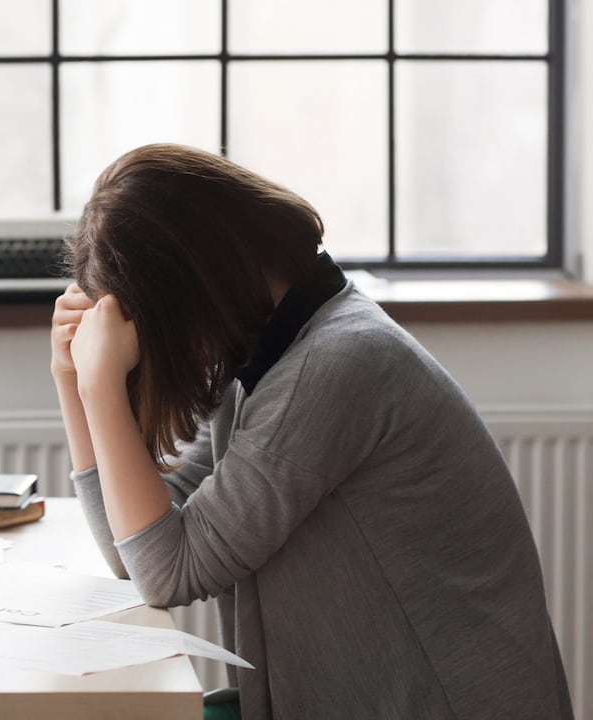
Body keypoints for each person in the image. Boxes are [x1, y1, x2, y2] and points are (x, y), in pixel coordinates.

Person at [50, 143, 572, 720]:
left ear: (190, 291)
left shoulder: (333, 365)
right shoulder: (267, 355)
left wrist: (101, 390)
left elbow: (165, 570)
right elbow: (136, 547)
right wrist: (73, 378)